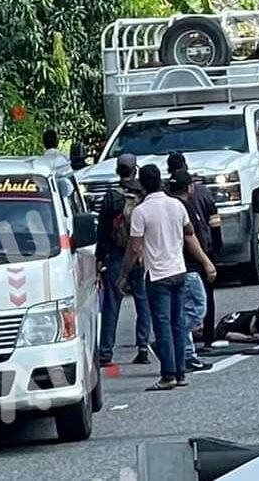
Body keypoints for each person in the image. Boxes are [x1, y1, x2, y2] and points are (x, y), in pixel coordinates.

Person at [119, 165, 216, 391]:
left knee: (162, 325)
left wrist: (123, 276)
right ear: (161, 181)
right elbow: (189, 231)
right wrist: (205, 261)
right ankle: (181, 372)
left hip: (156, 274)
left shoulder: (141, 212)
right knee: (178, 323)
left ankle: (168, 375)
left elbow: (134, 248)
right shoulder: (177, 205)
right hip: (178, 270)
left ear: (142, 184)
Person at [95, 154, 152, 366]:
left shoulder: (112, 196)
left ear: (118, 171)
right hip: (141, 253)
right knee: (143, 299)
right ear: (135, 170)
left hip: (117, 253)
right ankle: (143, 347)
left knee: (112, 302)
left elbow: (102, 230)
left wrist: (100, 258)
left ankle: (106, 352)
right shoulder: (144, 194)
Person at [166, 152, 223, 350]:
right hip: (200, 252)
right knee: (204, 298)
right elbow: (214, 220)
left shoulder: (166, 197)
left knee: (179, 301)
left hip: (175, 257)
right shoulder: (201, 193)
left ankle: (185, 339)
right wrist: (216, 248)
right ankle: (206, 336)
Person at [166, 170, 212, 372]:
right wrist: (206, 261)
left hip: (177, 265)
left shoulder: (170, 206)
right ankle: (173, 340)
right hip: (188, 266)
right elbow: (190, 237)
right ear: (189, 187)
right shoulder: (182, 207)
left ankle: (187, 353)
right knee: (198, 308)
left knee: (185, 308)